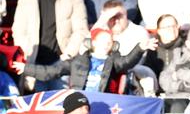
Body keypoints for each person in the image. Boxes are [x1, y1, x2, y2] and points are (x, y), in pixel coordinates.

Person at [12, 0, 89, 92]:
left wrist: (69, 54)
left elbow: (81, 30)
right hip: (34, 62)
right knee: (37, 106)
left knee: (60, 105)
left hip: (61, 63)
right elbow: (18, 30)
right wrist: (27, 53)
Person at [14, 27, 157, 93]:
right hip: (79, 100)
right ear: (94, 42)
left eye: (110, 41)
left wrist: (140, 48)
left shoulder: (113, 60)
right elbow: (51, 71)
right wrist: (26, 68)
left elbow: (127, 62)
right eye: (104, 40)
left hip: (102, 101)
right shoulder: (79, 61)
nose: (108, 43)